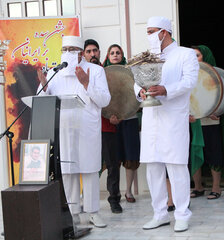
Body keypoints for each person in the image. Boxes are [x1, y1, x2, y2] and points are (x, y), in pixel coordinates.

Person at [37, 36, 111, 228]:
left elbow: (104, 100)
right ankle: (73, 212)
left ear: (80, 53)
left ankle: (93, 212)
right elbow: (42, 98)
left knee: (89, 170)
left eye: (71, 49)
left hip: (87, 128)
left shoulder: (95, 71)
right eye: (65, 49)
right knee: (68, 171)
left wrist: (87, 84)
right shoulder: (55, 71)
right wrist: (45, 86)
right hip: (64, 129)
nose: (67, 53)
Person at [134, 16, 199, 232]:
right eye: (148, 32)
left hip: (173, 118)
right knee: (153, 167)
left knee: (176, 166)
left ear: (165, 32)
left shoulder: (185, 54)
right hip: (152, 118)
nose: (150, 36)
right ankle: (159, 213)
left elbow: (189, 81)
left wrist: (166, 90)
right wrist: (140, 91)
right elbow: (136, 81)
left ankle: (182, 214)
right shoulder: (148, 57)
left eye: (152, 31)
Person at [189, 45, 224, 200]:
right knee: (194, 154)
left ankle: (216, 187)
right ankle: (198, 187)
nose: (194, 59)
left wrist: (219, 111)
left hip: (210, 122)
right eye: (192, 56)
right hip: (194, 122)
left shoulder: (216, 76)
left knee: (213, 153)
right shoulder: (187, 76)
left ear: (205, 57)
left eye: (197, 56)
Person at [84, 39, 123, 214]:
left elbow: (118, 96)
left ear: (100, 53)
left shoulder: (108, 72)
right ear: (83, 54)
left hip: (108, 126)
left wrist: (119, 116)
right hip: (87, 127)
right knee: (86, 165)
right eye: (88, 51)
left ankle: (114, 199)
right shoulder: (78, 73)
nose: (92, 54)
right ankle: (83, 201)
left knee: (113, 165)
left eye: (95, 51)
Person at [103, 44, 140, 203]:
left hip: (130, 120)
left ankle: (129, 191)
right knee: (114, 159)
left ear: (122, 55)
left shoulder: (132, 73)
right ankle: (114, 192)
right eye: (112, 53)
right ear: (108, 56)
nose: (115, 55)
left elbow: (137, 96)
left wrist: (126, 113)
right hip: (110, 122)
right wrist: (110, 116)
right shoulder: (101, 74)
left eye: (118, 52)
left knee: (131, 157)